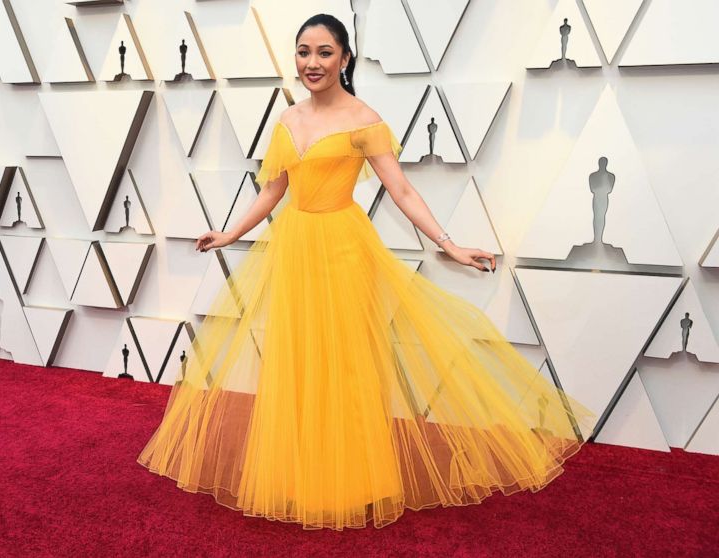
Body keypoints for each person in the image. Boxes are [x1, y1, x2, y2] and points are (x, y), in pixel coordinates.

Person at [137, 13, 597, 531]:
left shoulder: (364, 119)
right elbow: (272, 191)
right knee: (298, 360)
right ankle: (300, 472)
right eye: (304, 52)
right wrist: (228, 234)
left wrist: (449, 246)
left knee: (346, 363)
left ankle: (351, 479)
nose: (312, 63)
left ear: (345, 59)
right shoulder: (287, 121)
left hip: (343, 249)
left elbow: (400, 190)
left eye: (325, 53)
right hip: (293, 247)